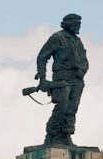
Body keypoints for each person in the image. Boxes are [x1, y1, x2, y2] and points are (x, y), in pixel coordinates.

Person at [34, 13, 88, 146]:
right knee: (62, 107)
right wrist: (42, 78)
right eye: (76, 23)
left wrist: (82, 70)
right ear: (68, 23)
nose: (78, 26)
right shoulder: (57, 38)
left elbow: (85, 60)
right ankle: (51, 136)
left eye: (79, 24)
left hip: (77, 80)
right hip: (62, 79)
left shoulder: (77, 41)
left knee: (71, 109)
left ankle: (66, 135)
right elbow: (42, 57)